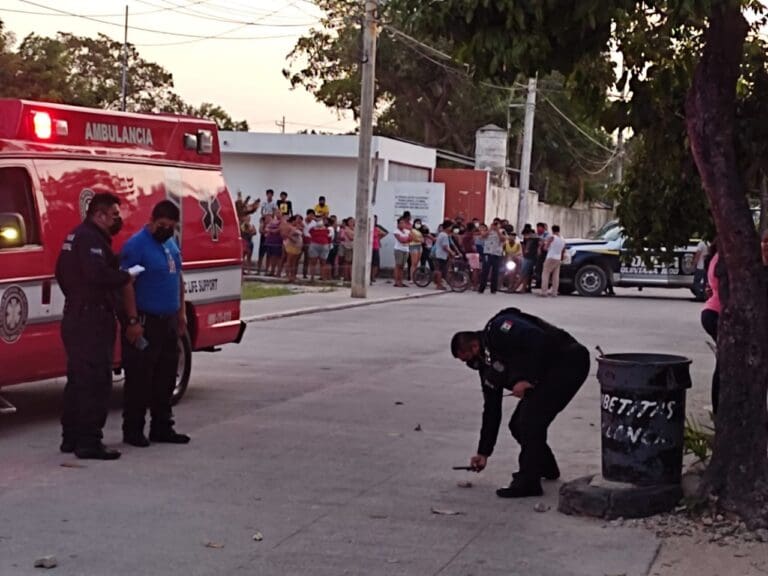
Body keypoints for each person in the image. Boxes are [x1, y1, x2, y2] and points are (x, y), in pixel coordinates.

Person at [451, 308, 590, 498]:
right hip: (547, 373)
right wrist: (483, 453)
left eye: (467, 359)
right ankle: (545, 467)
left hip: (568, 361)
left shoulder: (499, 328)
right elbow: (491, 410)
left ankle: (528, 482)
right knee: (517, 425)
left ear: (474, 347)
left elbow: (538, 339)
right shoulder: (488, 368)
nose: (470, 365)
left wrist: (526, 379)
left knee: (530, 421)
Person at [55, 192, 137, 460]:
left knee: (78, 379)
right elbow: (97, 275)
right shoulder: (90, 239)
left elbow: (62, 274)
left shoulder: (76, 236)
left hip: (77, 314)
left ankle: (71, 437)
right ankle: (89, 441)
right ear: (99, 214)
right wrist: (125, 276)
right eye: (114, 214)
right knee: (96, 381)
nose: (118, 219)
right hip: (90, 319)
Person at [120, 200, 190, 448]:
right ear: (152, 220)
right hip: (145, 321)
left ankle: (162, 426)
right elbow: (126, 284)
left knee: (166, 377)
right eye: (162, 225)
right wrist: (132, 320)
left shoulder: (170, 244)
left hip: (168, 321)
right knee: (140, 379)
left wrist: (181, 313)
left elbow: (178, 278)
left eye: (171, 227)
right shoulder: (136, 246)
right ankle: (133, 429)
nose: (166, 230)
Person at [701, 241, 721, 413]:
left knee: (724, 362)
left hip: (712, 312)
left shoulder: (718, 256)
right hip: (716, 313)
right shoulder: (725, 259)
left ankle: (719, 409)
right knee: (724, 363)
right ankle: (718, 409)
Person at [479, 221, 505, 294]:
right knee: (485, 271)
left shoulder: (502, 231)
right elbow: (482, 236)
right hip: (487, 253)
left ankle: (493, 289)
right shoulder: (487, 231)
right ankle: (481, 288)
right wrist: (490, 229)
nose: (495, 226)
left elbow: (503, 239)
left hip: (496, 253)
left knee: (495, 272)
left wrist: (497, 231)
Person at [539, 225, 566, 297]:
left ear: (552, 230)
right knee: (556, 276)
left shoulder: (552, 237)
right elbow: (563, 250)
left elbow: (545, 248)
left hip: (550, 257)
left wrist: (546, 246)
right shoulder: (563, 239)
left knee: (545, 274)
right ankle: (554, 292)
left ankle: (544, 292)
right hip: (558, 258)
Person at [433, 220, 457, 290]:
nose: (451, 228)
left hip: (440, 254)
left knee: (440, 270)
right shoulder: (444, 235)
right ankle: (439, 285)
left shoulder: (441, 234)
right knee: (440, 270)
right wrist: (452, 252)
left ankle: (438, 283)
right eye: (451, 227)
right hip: (441, 255)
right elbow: (445, 247)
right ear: (448, 227)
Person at [282, 215, 304, 283]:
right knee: (289, 261)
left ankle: (293, 276)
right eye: (295, 220)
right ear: (293, 221)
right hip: (291, 245)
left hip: (297, 246)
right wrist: (293, 239)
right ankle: (288, 275)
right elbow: (286, 235)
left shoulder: (297, 227)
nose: (296, 222)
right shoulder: (290, 227)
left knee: (294, 262)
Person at [393, 218, 412, 287]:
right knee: (398, 265)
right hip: (398, 249)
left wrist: (405, 239)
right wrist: (406, 239)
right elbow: (401, 240)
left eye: (403, 223)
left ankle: (401, 281)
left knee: (402, 266)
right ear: (398, 224)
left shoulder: (407, 231)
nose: (402, 224)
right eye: (401, 223)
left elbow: (411, 238)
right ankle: (396, 281)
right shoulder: (396, 231)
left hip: (406, 249)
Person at [461, 223, 481, 290]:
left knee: (470, 269)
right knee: (475, 270)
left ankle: (469, 284)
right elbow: (478, 234)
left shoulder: (465, 235)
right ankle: (475, 286)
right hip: (472, 253)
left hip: (467, 253)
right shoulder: (470, 235)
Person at [371, 215, 387, 284]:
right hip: (369, 247)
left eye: (375, 220)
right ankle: (369, 276)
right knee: (370, 263)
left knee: (375, 263)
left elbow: (385, 233)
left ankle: (373, 277)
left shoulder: (377, 228)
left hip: (376, 247)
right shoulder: (369, 228)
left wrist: (378, 238)